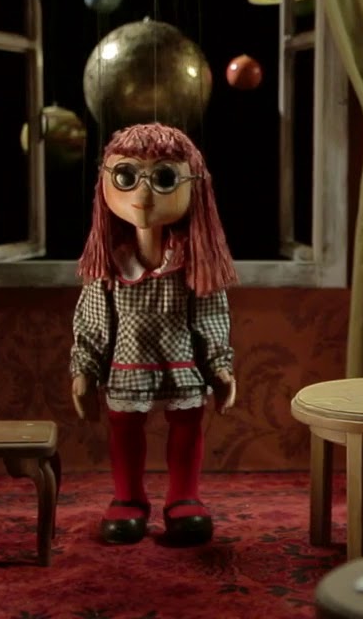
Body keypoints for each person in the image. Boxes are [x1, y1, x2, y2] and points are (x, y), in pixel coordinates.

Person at [69, 122, 237, 545]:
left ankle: (184, 496)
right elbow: (93, 318)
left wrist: (219, 366)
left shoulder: (190, 262)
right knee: (125, 424)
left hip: (180, 359)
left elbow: (209, 313)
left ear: (194, 185)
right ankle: (128, 497)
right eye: (126, 177)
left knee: (187, 422)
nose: (143, 196)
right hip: (128, 362)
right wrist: (85, 368)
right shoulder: (111, 262)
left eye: (163, 179)